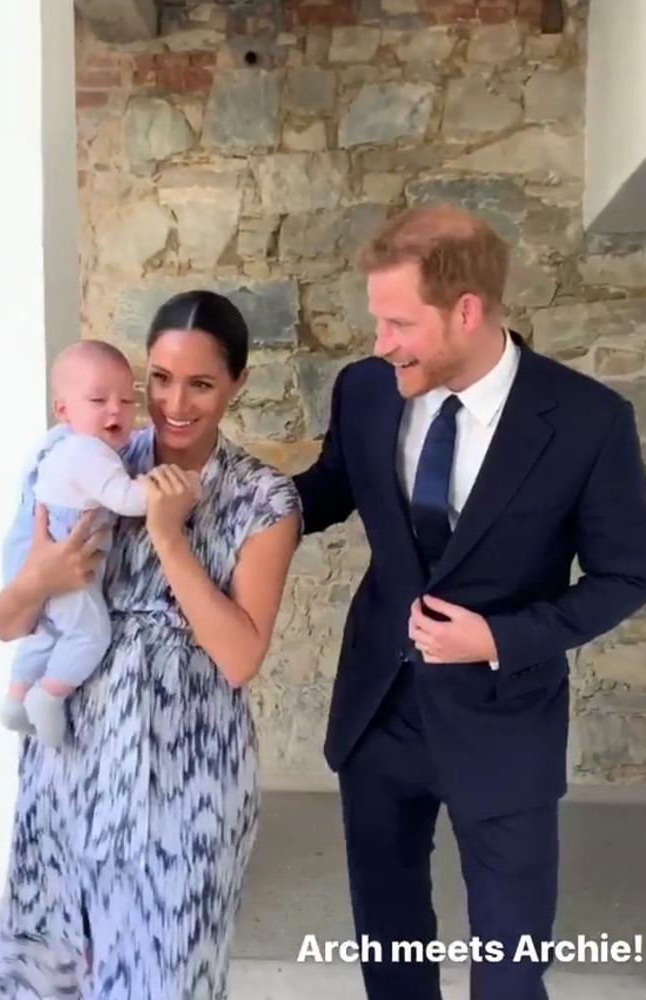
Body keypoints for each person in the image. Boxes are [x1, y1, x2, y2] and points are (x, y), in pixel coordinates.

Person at [294, 204, 646, 1000]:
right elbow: (323, 495)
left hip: (505, 725)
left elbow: (628, 575)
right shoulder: (366, 392)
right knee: (391, 958)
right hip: (378, 715)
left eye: (397, 323)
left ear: (466, 310)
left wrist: (500, 637)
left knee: (512, 972)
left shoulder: (589, 422)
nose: (380, 343)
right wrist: (206, 506)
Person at [0, 290, 301, 999]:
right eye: (160, 379)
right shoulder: (82, 458)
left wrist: (167, 535)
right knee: (46, 977)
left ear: (236, 385)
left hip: (185, 781)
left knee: (164, 978)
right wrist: (38, 578)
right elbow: (9, 621)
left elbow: (239, 656)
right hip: (71, 769)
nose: (175, 403)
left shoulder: (265, 499)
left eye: (200, 383)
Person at [0, 339, 189, 747]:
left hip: (30, 557)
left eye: (126, 399)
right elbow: (126, 498)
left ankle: (15, 697)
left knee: (48, 631)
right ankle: (48, 696)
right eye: (98, 400)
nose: (115, 411)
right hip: (65, 560)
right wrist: (165, 489)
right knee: (89, 633)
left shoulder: (57, 443)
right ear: (63, 409)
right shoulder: (88, 453)